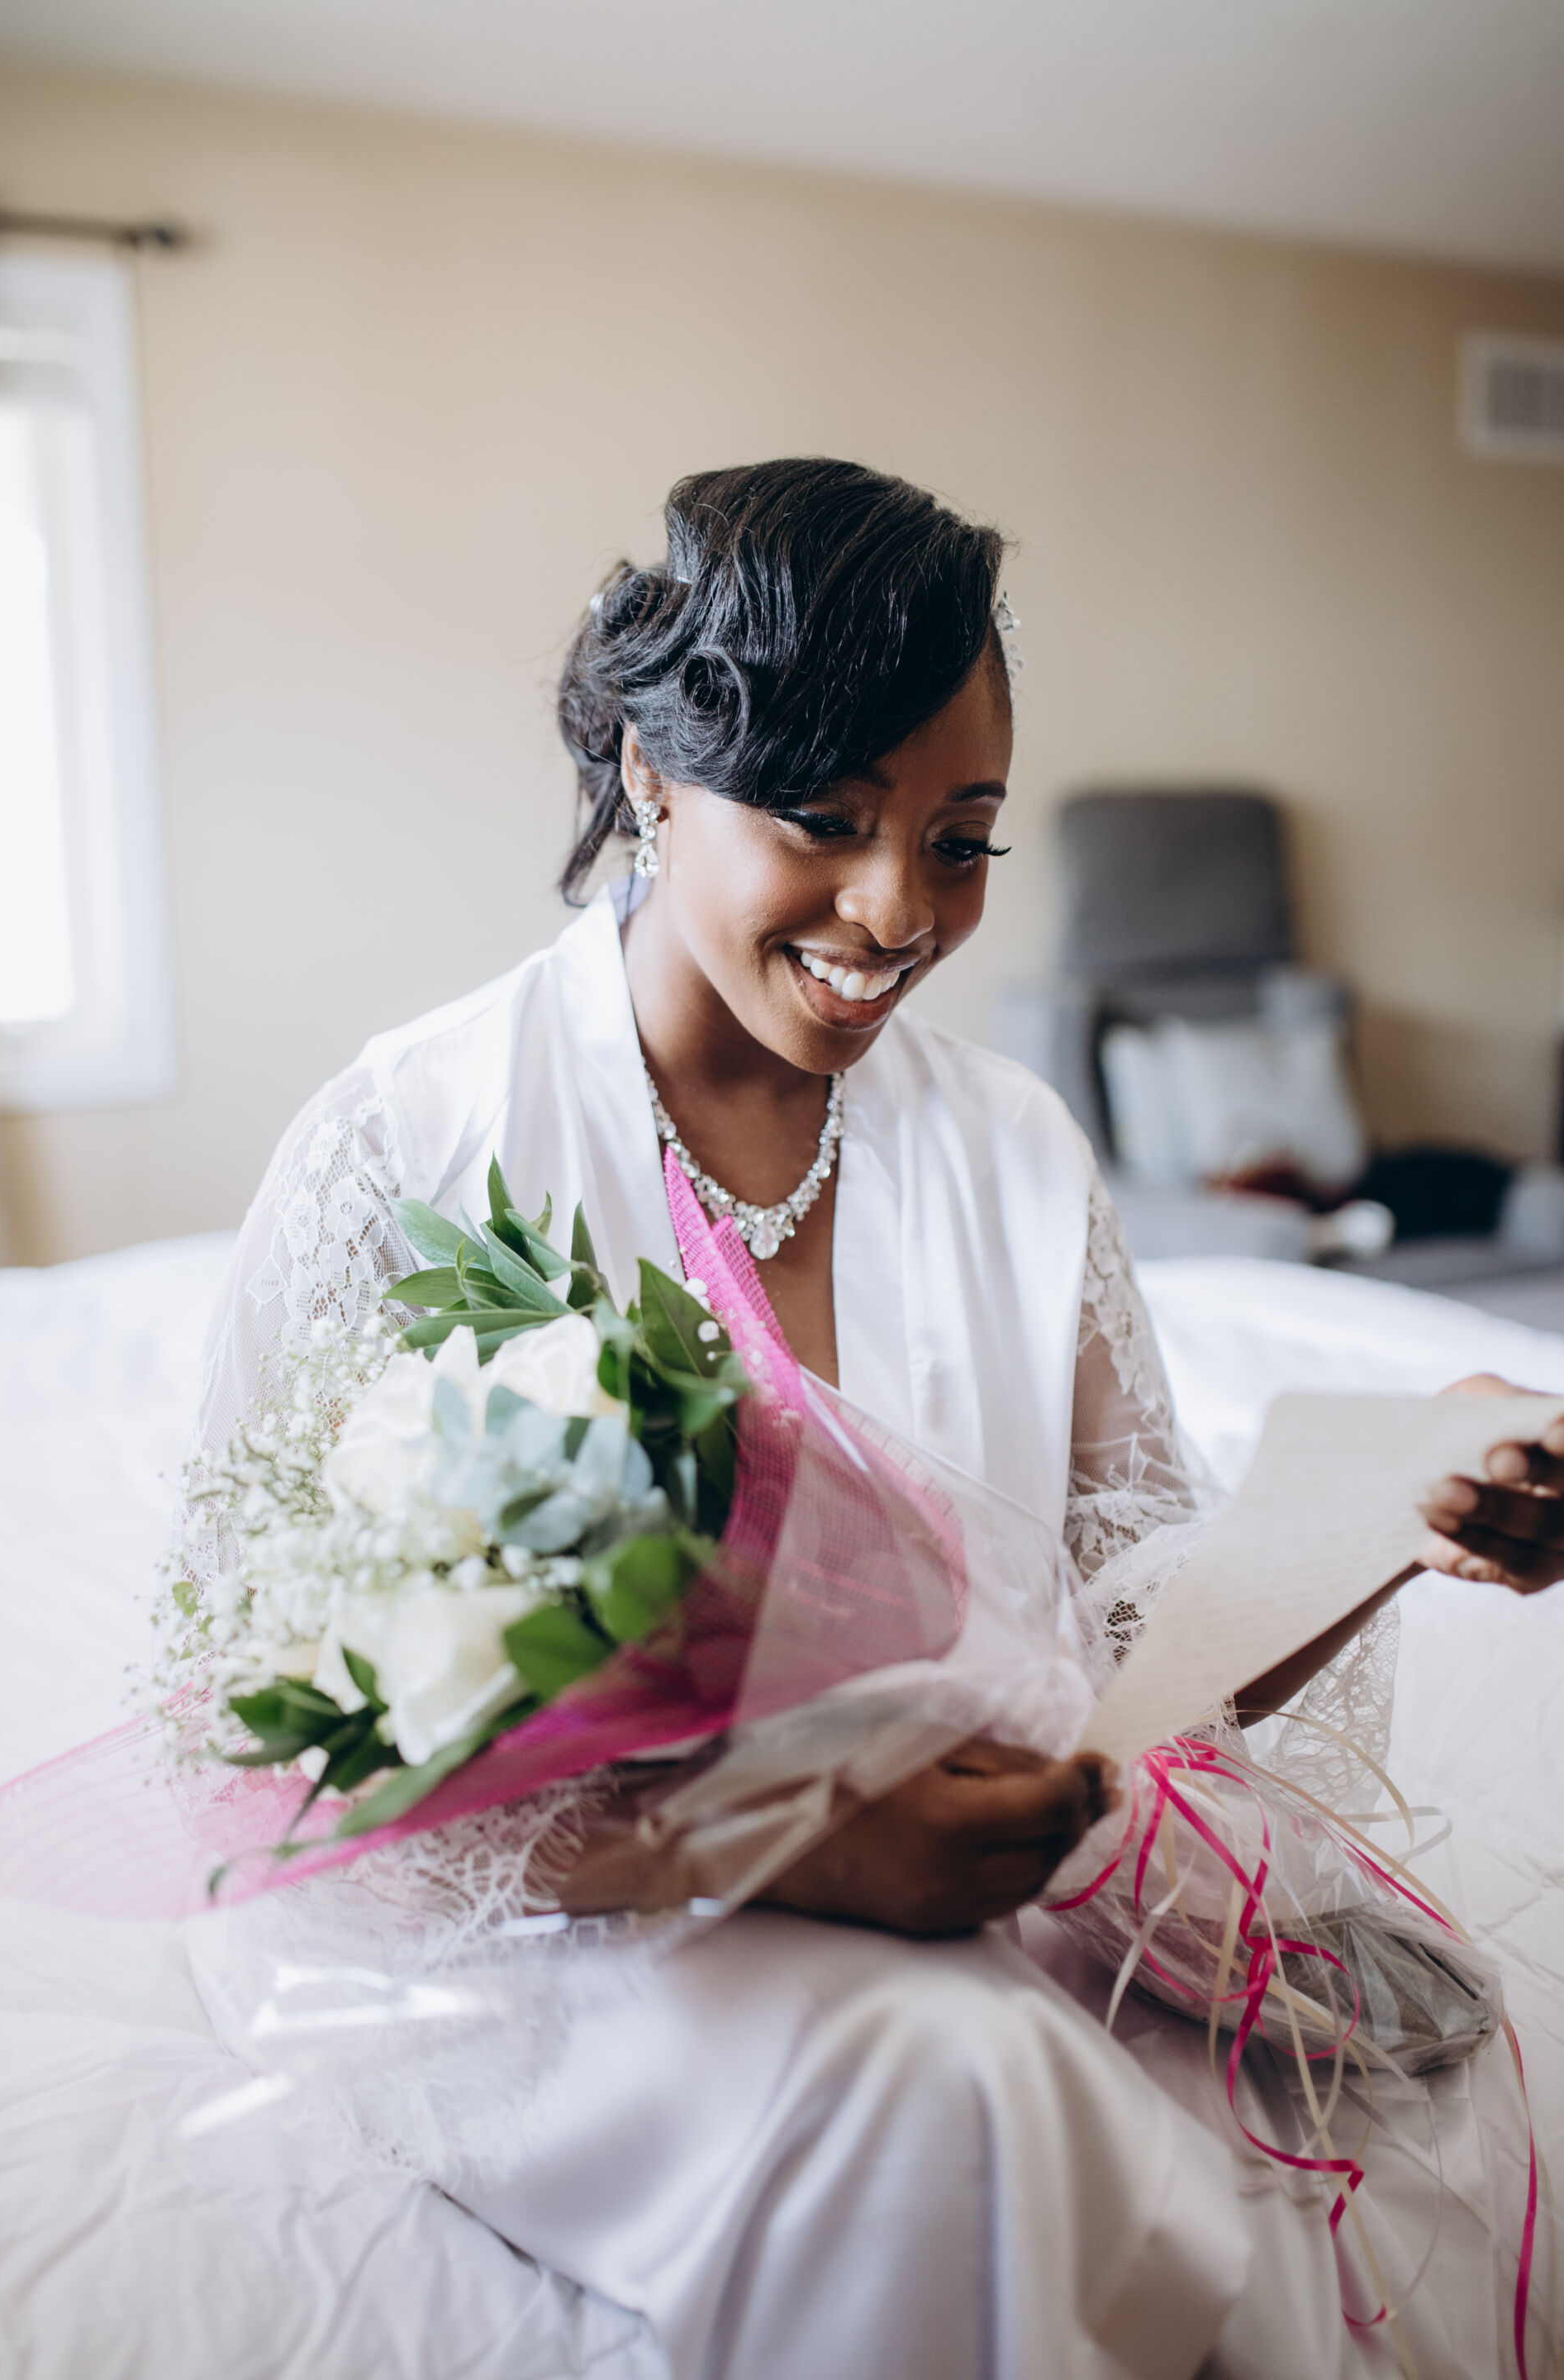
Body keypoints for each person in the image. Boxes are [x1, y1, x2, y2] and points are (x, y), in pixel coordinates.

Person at [191, 459, 1564, 2378]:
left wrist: (1384, 1506)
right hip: (549, 1918)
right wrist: (788, 1843)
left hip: (969, 1867)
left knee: (1173, 2112)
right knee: (961, 2092)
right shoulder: (411, 1140)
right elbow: (255, 1738)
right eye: (825, 821)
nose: (897, 910)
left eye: (963, 840)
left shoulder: (1015, 1151)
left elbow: (1133, 1645)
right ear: (653, 773)